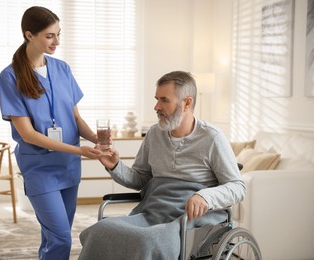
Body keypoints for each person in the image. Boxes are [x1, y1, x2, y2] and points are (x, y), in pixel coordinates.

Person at [79, 71, 246, 260]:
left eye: (164, 100)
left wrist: (205, 196)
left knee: (146, 240)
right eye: (157, 99)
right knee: (101, 230)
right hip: (152, 211)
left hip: (191, 219)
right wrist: (115, 165)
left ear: (187, 103)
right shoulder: (154, 133)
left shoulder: (212, 138)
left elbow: (238, 187)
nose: (156, 106)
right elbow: (141, 179)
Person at [0, 6, 102, 260]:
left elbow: (75, 117)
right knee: (61, 238)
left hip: (68, 167)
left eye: (58, 34)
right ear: (29, 35)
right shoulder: (9, 78)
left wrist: (98, 140)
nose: (57, 41)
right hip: (40, 169)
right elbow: (28, 134)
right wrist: (80, 150)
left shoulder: (62, 69)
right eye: (49, 36)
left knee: (54, 237)